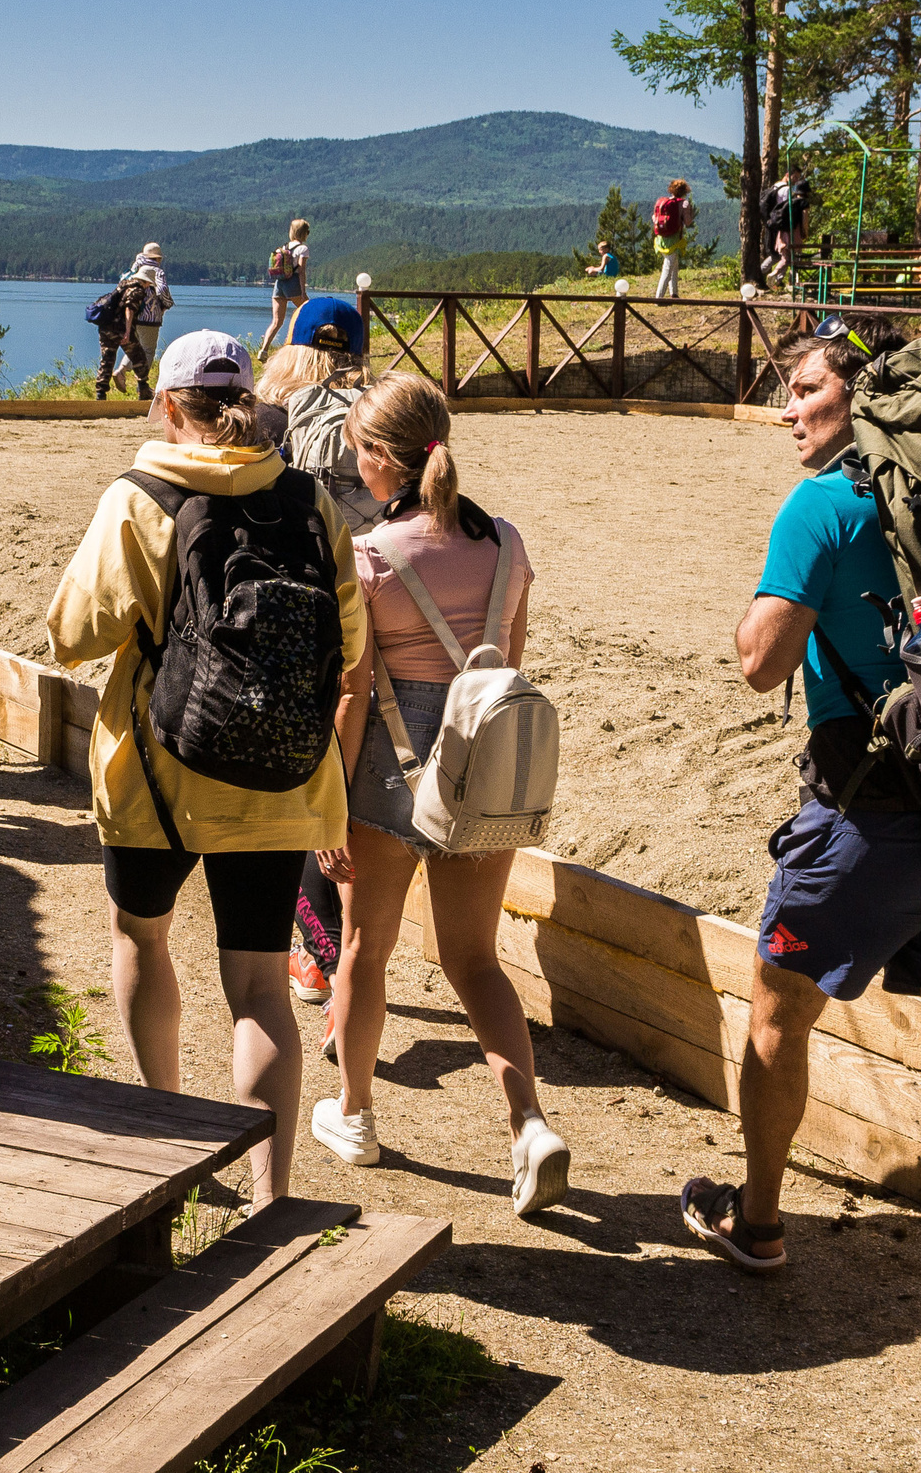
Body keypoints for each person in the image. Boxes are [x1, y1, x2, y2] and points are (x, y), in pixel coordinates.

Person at [677, 323, 921, 1363]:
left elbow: (756, 662)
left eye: (804, 391)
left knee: (772, 1019)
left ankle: (754, 1221)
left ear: (860, 401)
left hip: (864, 822)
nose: (788, 411)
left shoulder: (825, 505)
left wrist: (783, 610)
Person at [47, 329, 366, 1214]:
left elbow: (69, 634)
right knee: (262, 986)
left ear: (165, 404)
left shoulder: (138, 496)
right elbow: (351, 643)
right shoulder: (307, 501)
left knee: (141, 939)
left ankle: (172, 1150)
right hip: (282, 782)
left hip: (158, 776)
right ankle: (274, 1199)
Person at [304, 373, 570, 1213]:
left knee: (364, 950)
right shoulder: (507, 543)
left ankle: (354, 1114)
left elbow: (352, 691)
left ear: (382, 458)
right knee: (474, 958)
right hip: (482, 765)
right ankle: (528, 1120)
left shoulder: (372, 554)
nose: (354, 463)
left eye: (357, 449)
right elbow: (505, 671)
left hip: (389, 763)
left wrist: (328, 799)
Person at [256, 295, 381, 1005]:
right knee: (349, 790)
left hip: (298, 627)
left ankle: (319, 955)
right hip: (376, 617)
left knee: (302, 795)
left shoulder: (272, 420)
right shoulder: (382, 420)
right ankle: (351, 957)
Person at [117, 242, 173, 396]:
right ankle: (142, 387)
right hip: (150, 318)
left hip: (132, 316)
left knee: (136, 348)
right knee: (148, 351)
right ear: (157, 258)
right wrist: (167, 304)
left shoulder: (135, 267)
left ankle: (121, 370)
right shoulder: (157, 271)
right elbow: (163, 291)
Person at [93, 270, 155, 400]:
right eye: (149, 283)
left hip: (105, 327)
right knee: (139, 358)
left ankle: (101, 394)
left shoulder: (124, 284)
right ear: (146, 281)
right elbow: (129, 309)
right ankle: (143, 389)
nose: (149, 286)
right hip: (120, 329)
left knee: (107, 360)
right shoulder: (137, 291)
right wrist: (127, 332)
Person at [257, 218, 312, 355]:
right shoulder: (303, 248)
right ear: (304, 233)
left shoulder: (282, 248)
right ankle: (305, 344)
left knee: (276, 321)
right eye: (307, 232)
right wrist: (303, 292)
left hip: (279, 284)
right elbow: (301, 271)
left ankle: (263, 350)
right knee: (309, 311)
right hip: (292, 283)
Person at [762, 165, 813, 283]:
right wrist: (805, 232)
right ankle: (790, 281)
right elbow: (804, 219)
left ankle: (774, 275)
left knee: (784, 258)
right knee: (795, 258)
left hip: (781, 232)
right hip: (794, 234)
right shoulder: (802, 202)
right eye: (795, 176)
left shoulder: (788, 198)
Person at [651, 180, 695, 300]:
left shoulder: (663, 202)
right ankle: (658, 298)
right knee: (668, 268)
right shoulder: (684, 203)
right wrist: (691, 214)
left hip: (661, 238)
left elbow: (654, 217)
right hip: (674, 239)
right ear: (685, 191)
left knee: (673, 264)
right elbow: (688, 222)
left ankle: (674, 293)